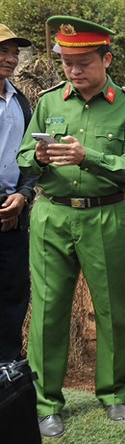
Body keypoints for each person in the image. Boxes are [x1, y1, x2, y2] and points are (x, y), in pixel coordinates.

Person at [17, 15, 125, 438]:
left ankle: (114, 394)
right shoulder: (50, 102)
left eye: (83, 61)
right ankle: (46, 400)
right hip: (52, 212)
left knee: (110, 308)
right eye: (67, 62)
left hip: (106, 215)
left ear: (106, 59)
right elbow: (21, 155)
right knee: (48, 310)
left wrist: (89, 157)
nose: (73, 70)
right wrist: (38, 159)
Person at [0, 24, 36, 363]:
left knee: (12, 291)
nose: (11, 59)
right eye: (3, 51)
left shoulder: (19, 101)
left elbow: (27, 157)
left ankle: (8, 370)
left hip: (12, 211)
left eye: (14, 52)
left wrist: (23, 196)